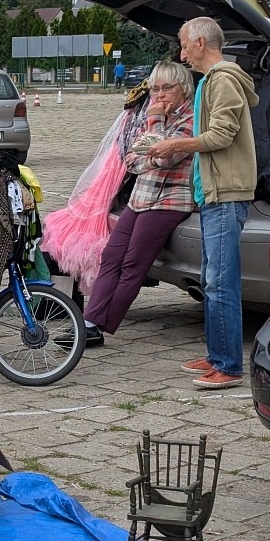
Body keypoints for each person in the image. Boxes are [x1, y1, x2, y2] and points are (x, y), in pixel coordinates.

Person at [146, 16, 259, 389]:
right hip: (213, 192)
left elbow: (222, 135)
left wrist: (175, 144)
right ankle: (216, 355)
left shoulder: (224, 80)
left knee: (221, 283)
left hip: (227, 194)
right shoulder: (211, 81)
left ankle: (228, 366)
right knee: (213, 280)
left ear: (199, 42)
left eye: (183, 45)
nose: (181, 54)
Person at [83, 62, 196, 347]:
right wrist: (153, 156)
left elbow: (167, 156)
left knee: (134, 263)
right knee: (111, 256)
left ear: (183, 88)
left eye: (166, 88)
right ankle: (87, 322)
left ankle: (102, 326)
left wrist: (155, 127)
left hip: (170, 200)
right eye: (155, 89)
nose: (159, 95)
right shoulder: (153, 115)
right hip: (140, 197)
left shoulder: (192, 118)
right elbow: (132, 160)